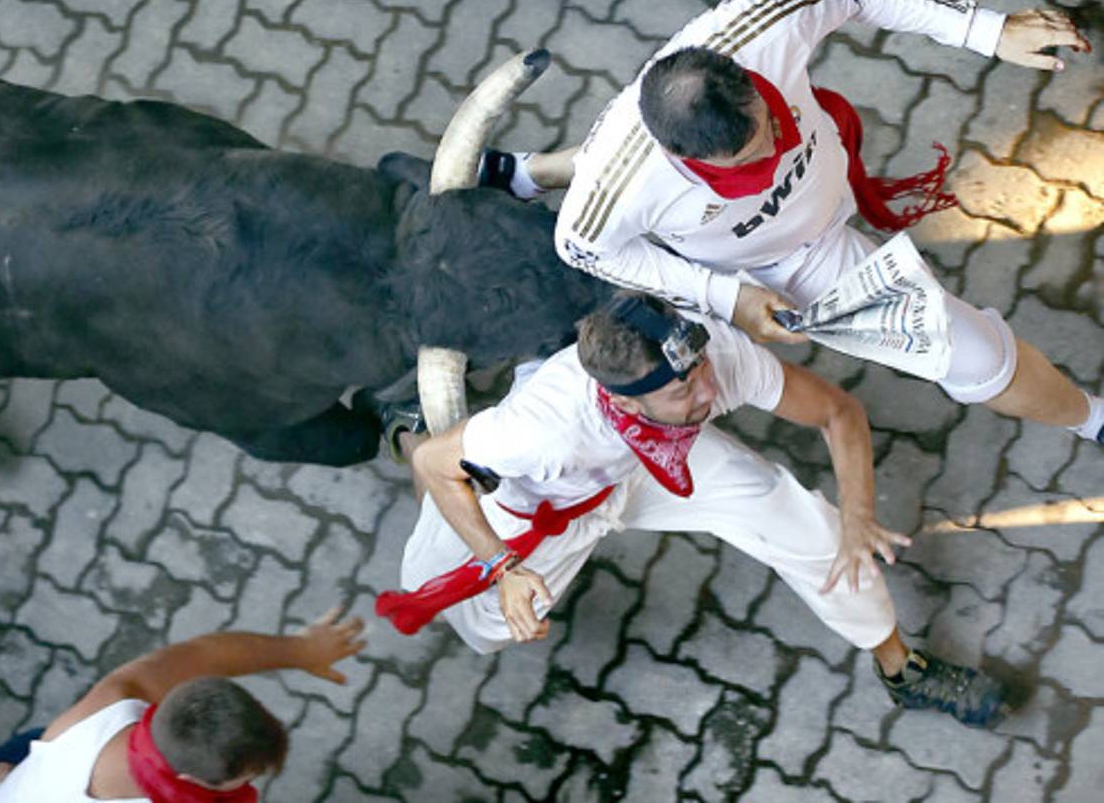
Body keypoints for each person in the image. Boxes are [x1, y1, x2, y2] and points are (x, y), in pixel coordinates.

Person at [482, 0, 1102, 446]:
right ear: (679, 158)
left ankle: (530, 170)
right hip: (787, 263)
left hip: (825, 184)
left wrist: (984, 29)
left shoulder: (762, 26)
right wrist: (728, 297)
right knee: (976, 358)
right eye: (749, 163)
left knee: (606, 171)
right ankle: (1092, 418)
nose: (775, 153)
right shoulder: (623, 184)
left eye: (770, 128)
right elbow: (582, 243)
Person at [377, 291, 1007, 728]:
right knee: (483, 624)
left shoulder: (711, 360)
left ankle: (901, 668)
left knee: (811, 530)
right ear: (623, 404)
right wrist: (503, 566)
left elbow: (837, 413)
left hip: (663, 459)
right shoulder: (538, 430)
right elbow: (437, 468)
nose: (711, 389)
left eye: (703, 367)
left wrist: (858, 512)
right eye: (685, 389)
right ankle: (408, 423)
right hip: (550, 500)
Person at [0, 609, 365, 802]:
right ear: (190, 781)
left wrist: (302, 650)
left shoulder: (111, 703)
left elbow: (210, 655)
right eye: (248, 777)